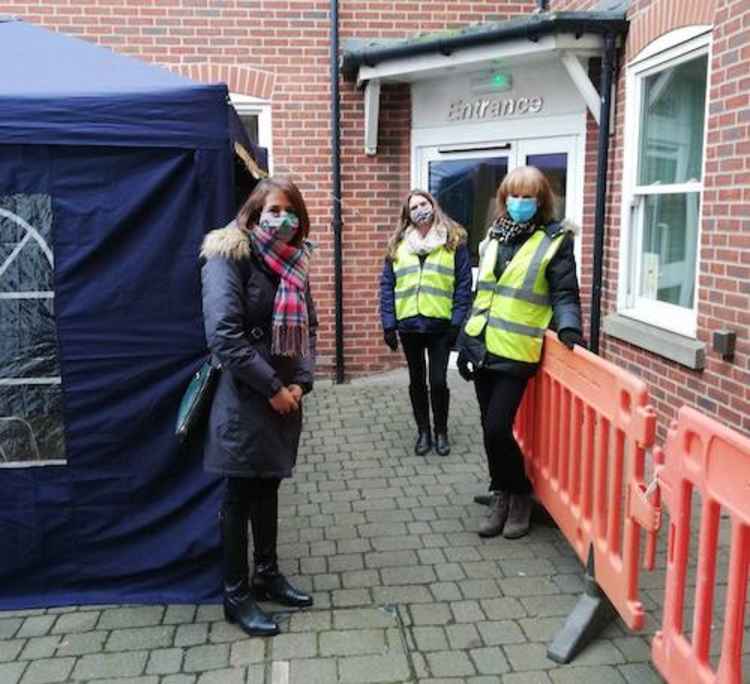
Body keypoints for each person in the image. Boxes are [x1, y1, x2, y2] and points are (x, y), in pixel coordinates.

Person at [200, 177, 316, 637]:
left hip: (285, 397)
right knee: (238, 497)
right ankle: (236, 593)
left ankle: (267, 574)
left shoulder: (295, 261)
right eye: (274, 209)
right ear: (253, 212)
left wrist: (301, 382)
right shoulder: (227, 256)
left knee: (268, 487)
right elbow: (224, 337)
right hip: (246, 396)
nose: (283, 218)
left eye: (291, 211)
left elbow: (308, 324)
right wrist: (273, 388)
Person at [456, 166, 583, 540]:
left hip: (517, 349)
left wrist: (569, 326)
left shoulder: (556, 240)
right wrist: (464, 341)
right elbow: (484, 293)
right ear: (504, 198)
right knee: (488, 429)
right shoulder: (492, 237)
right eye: (514, 195)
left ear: (541, 200)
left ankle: (521, 494)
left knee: (498, 427)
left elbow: (564, 293)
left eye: (528, 196)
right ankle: (502, 493)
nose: (520, 202)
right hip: (482, 344)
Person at [379, 190, 473, 456]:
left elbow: (463, 285)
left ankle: (441, 431)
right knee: (417, 381)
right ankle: (424, 432)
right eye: (414, 207)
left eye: (423, 204)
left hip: (440, 327)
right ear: (407, 215)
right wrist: (388, 324)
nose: (420, 209)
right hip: (409, 325)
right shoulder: (398, 245)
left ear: (433, 206)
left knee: (439, 382)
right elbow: (387, 286)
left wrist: (457, 322)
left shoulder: (453, 241)